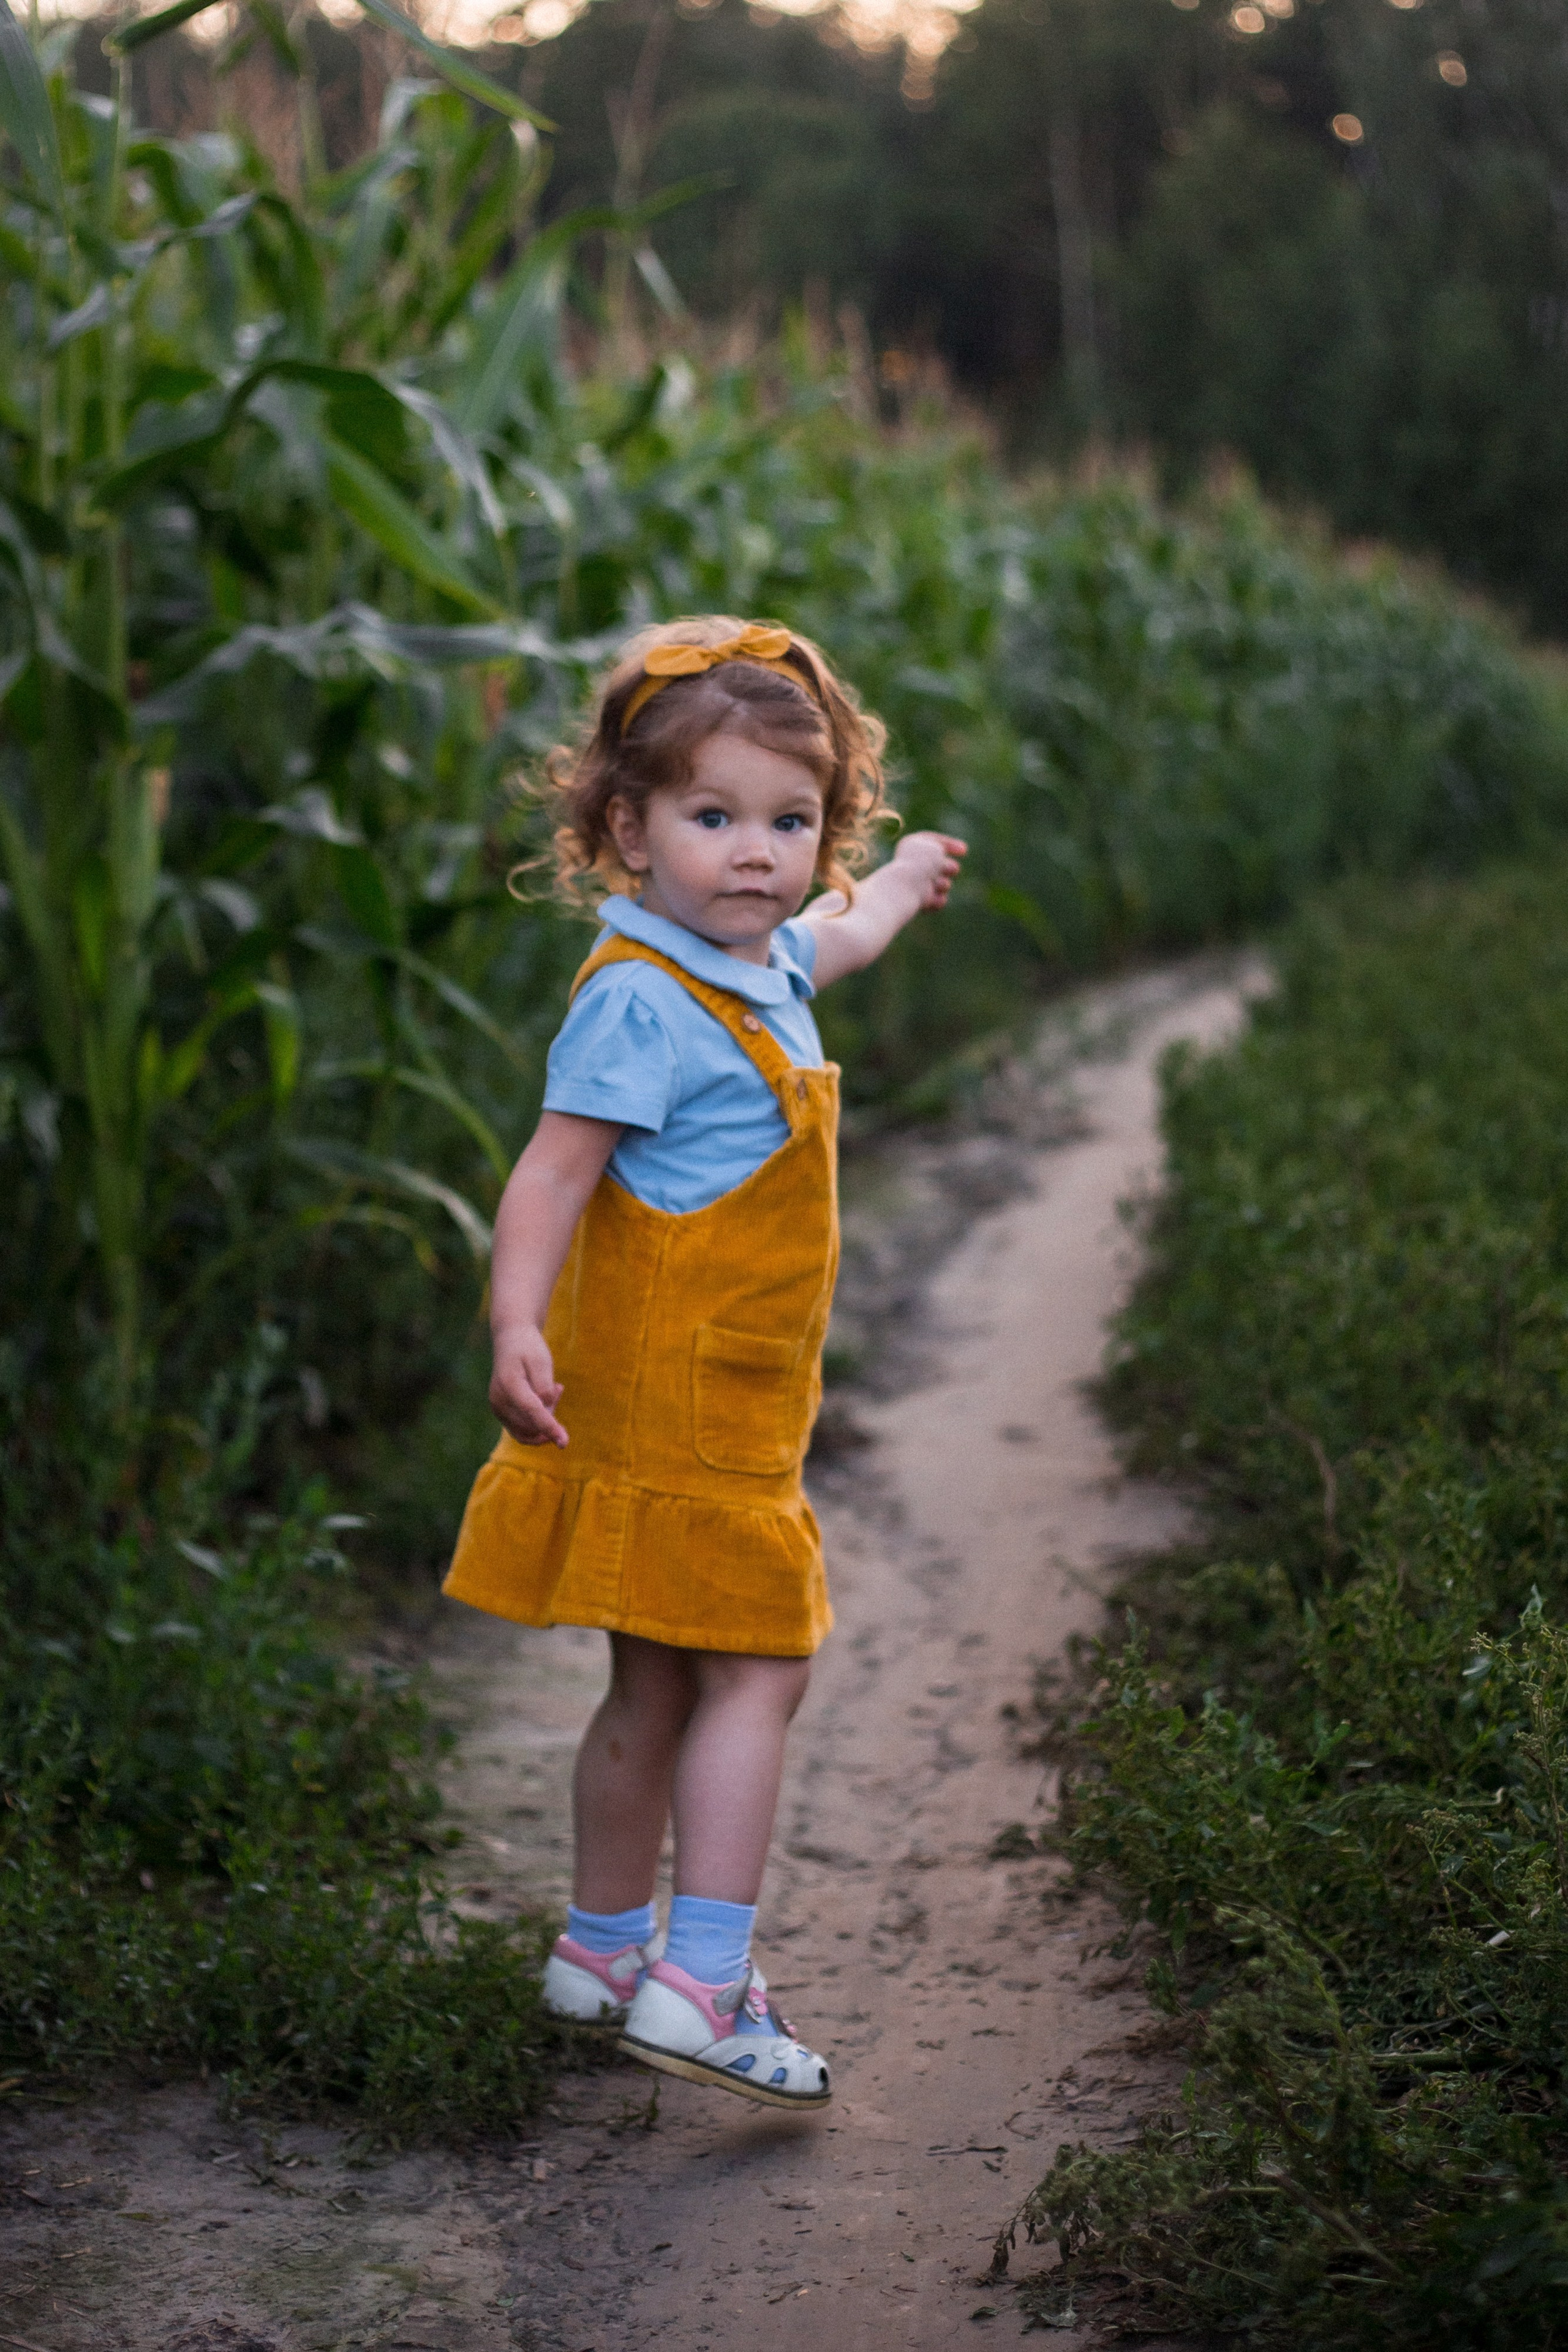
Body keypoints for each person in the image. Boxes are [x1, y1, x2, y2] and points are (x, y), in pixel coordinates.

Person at [443, 616, 965, 2110]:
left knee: (658, 1677)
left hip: (696, 1395)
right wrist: (514, 1321)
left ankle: (600, 1952)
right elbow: (551, 1173)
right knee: (764, 1668)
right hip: (694, 1410)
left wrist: (902, 880)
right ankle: (703, 1982)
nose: (756, 854)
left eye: (790, 823)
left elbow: (838, 936)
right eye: (714, 817)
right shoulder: (641, 996)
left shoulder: (754, 959)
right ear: (629, 829)